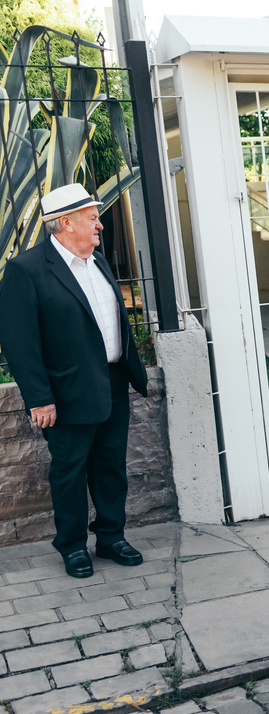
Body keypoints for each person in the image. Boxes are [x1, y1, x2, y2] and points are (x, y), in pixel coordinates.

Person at [0, 184, 148, 578]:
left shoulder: (97, 261)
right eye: (92, 217)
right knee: (70, 472)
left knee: (111, 466)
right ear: (65, 223)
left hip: (113, 381)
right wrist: (40, 399)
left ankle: (112, 537)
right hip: (66, 394)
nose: (100, 224)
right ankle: (72, 546)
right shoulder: (26, 270)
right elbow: (20, 343)